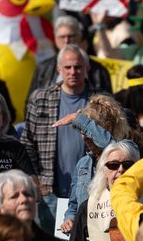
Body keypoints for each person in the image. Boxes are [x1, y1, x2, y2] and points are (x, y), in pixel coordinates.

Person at [22, 45, 93, 230]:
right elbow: (27, 144)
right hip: (49, 193)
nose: (73, 72)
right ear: (58, 69)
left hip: (90, 191)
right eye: (67, 67)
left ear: (87, 68)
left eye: (78, 67)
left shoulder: (98, 101)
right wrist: (36, 181)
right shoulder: (41, 98)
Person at [55, 94, 132, 234]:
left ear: (108, 127)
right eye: (81, 131)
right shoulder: (83, 164)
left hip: (115, 236)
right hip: (86, 237)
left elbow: (110, 146)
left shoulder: (126, 151)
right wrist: (70, 219)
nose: (84, 136)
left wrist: (77, 120)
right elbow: (73, 205)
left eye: (89, 130)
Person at [28, 15, 112, 96]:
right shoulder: (43, 69)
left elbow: (109, 105)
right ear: (55, 39)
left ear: (80, 37)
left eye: (71, 36)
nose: (66, 41)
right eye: (62, 37)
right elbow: (31, 102)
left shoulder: (98, 71)